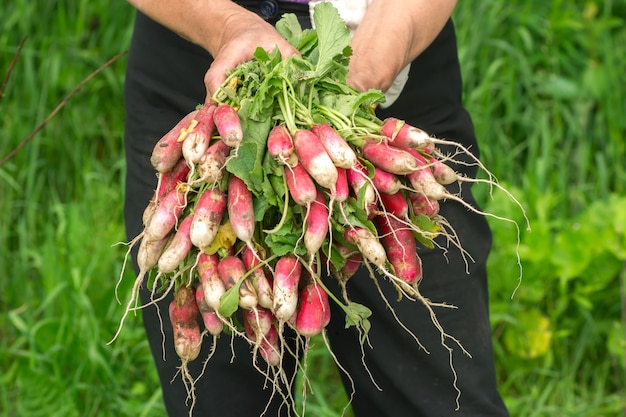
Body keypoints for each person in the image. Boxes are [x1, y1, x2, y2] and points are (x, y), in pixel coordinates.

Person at [123, 0, 510, 416]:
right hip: (202, 70)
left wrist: (365, 72)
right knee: (222, 398)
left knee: (444, 398)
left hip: (393, 44)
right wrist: (228, 25)